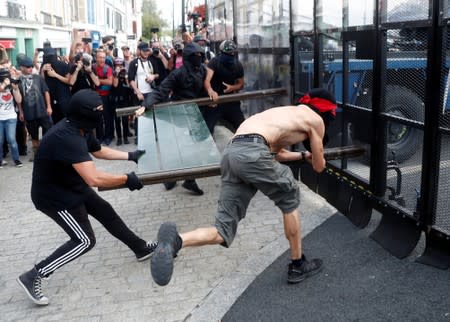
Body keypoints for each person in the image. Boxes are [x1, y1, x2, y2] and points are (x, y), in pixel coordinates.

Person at [148, 88, 337, 286]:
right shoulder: (315, 120)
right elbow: (318, 166)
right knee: (289, 195)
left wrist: (301, 156)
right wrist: (315, 156)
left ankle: (174, 243)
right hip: (253, 152)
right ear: (325, 111)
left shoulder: (283, 113)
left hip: (232, 152)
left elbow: (276, 153)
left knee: (222, 230)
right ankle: (298, 264)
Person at [16, 89, 157, 306]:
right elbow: (93, 179)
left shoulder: (82, 127)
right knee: (84, 240)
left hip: (72, 185)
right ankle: (34, 275)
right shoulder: (67, 137)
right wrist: (126, 180)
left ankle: (140, 248)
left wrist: (131, 155)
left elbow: (98, 151)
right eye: (98, 110)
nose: (101, 113)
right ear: (85, 113)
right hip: (54, 197)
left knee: (106, 212)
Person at [135, 42, 208, 196]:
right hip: (178, 113)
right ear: (188, 58)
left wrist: (211, 97)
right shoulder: (177, 73)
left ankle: (183, 179)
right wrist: (146, 105)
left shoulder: (202, 70)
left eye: (200, 56)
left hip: (193, 112)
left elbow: (206, 87)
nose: (199, 58)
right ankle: (176, 178)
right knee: (182, 147)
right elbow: (161, 91)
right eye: (196, 56)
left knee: (190, 147)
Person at [204, 40, 245, 135]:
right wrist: (210, 91)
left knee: (243, 127)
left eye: (232, 53)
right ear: (221, 52)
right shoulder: (214, 62)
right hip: (215, 101)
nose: (230, 55)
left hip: (230, 100)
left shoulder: (238, 65)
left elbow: (241, 84)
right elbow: (206, 80)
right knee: (207, 130)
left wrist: (232, 87)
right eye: (228, 53)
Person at [18, 56, 53, 162]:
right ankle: (36, 154)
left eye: (31, 66)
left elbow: (46, 91)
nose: (30, 68)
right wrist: (21, 111)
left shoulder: (37, 78)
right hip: (29, 112)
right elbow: (19, 99)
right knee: (34, 136)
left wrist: (49, 106)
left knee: (48, 134)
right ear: (22, 68)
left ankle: (48, 154)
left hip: (42, 110)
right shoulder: (18, 81)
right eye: (28, 67)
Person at [40, 47, 72, 124]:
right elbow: (42, 83)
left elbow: (70, 81)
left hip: (64, 99)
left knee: (67, 122)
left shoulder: (63, 65)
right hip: (51, 99)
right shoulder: (44, 66)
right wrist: (42, 71)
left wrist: (55, 75)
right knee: (56, 123)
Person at [0, 68, 23, 168]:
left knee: (11, 139)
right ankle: (0, 160)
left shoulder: (11, 87)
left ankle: (16, 159)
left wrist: (16, 89)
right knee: (0, 141)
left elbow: (19, 100)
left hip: (11, 117)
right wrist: (4, 84)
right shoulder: (3, 86)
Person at [93, 49, 114, 145]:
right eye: (100, 57)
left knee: (107, 117)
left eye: (104, 57)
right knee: (97, 118)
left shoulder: (108, 68)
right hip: (95, 97)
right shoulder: (92, 68)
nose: (102, 59)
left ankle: (109, 136)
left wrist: (98, 80)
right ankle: (100, 137)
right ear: (96, 58)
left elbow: (110, 82)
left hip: (106, 97)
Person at [111, 57, 133, 145]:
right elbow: (115, 85)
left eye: (121, 65)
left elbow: (129, 86)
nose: (119, 66)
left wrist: (126, 75)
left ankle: (125, 137)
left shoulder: (125, 73)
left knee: (125, 120)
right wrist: (116, 73)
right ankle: (119, 138)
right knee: (117, 121)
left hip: (125, 100)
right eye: (117, 65)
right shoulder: (113, 74)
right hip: (116, 100)